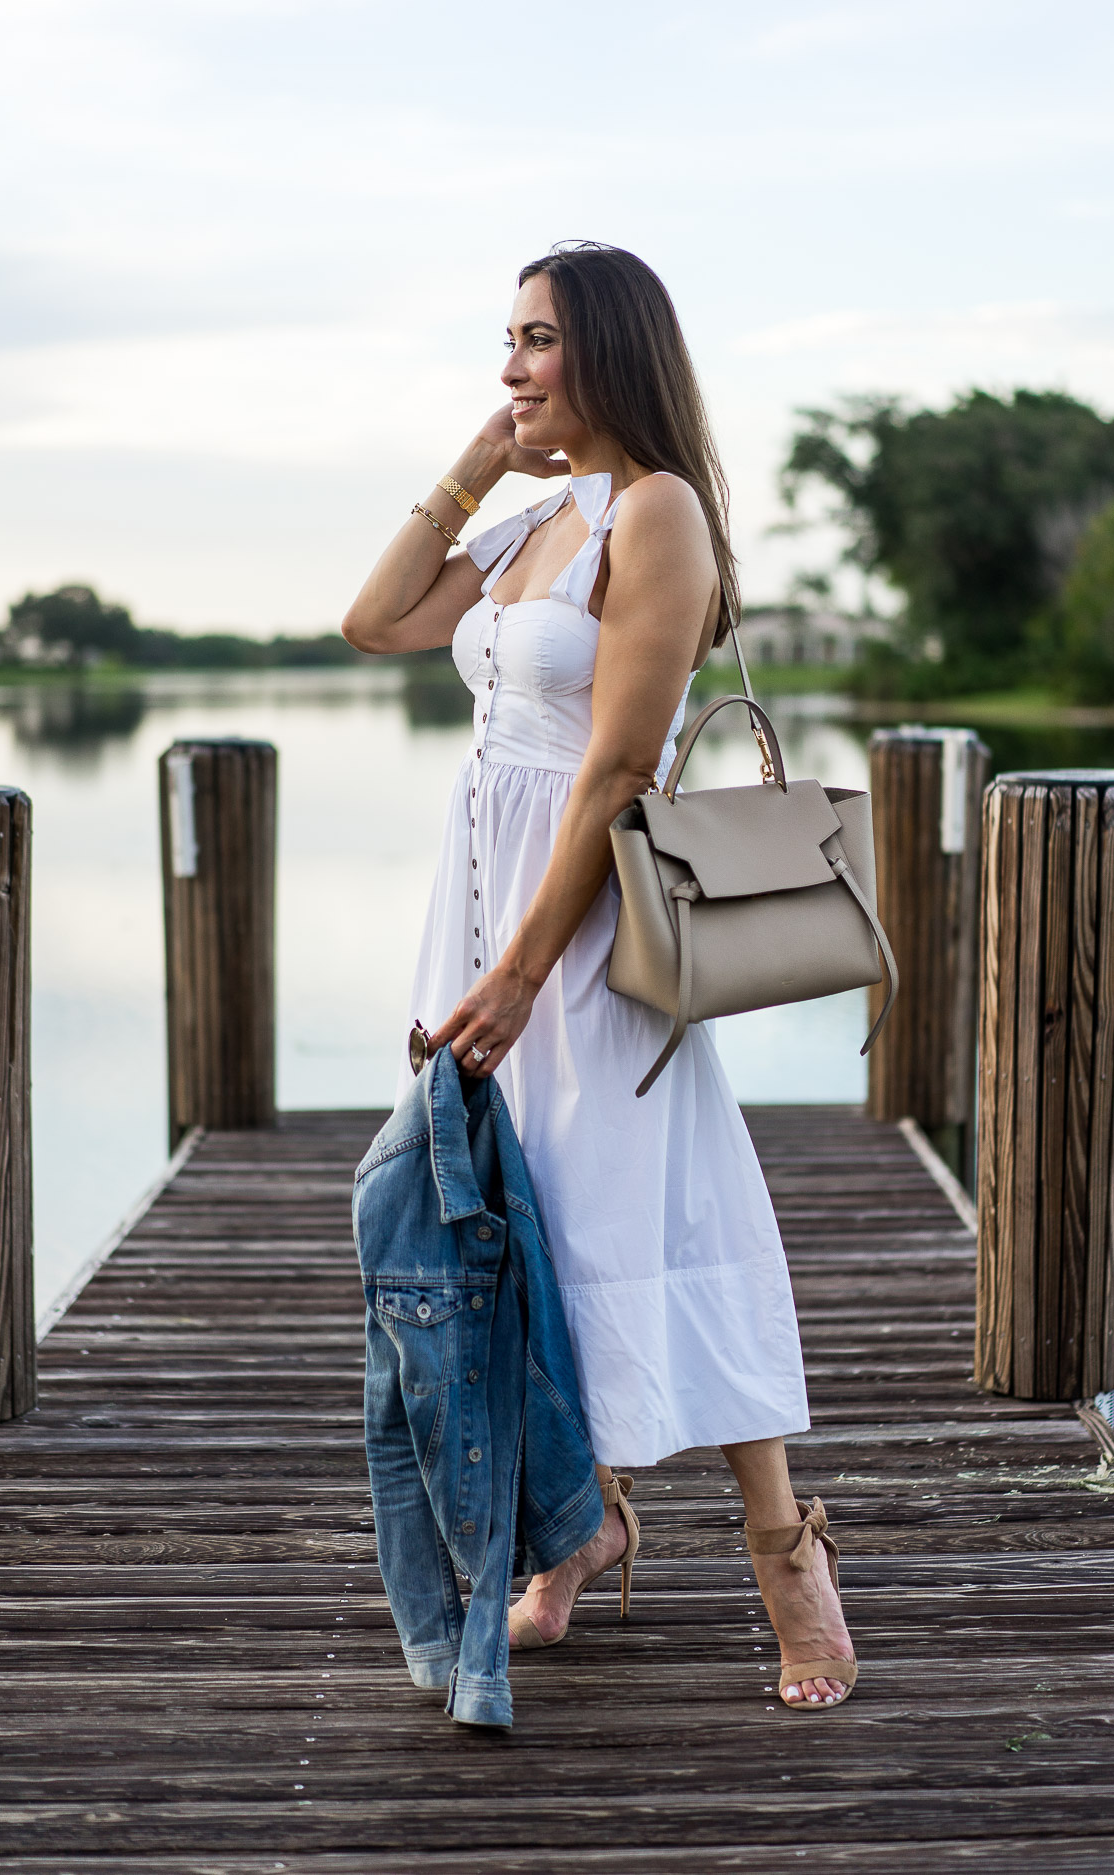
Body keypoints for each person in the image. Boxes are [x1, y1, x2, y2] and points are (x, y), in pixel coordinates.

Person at [343, 242, 856, 1710]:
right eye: (502, 343)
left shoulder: (657, 514)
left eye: (536, 342)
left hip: (586, 930)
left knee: (656, 1213)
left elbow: (624, 765)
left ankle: (785, 1557)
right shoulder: (538, 521)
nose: (509, 368)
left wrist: (516, 976)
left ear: (611, 351)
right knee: (519, 1224)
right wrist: (471, 464)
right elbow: (376, 623)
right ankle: (584, 1531)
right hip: (483, 904)